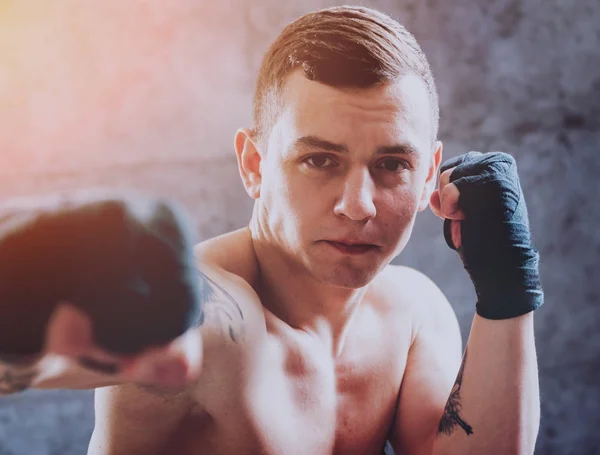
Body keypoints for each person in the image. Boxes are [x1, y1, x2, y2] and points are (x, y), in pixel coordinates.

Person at [0, 6, 544, 455]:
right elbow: (178, 330)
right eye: (320, 161)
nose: (358, 207)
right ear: (254, 165)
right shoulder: (218, 317)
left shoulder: (412, 315)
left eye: (391, 165)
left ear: (429, 173)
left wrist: (508, 290)